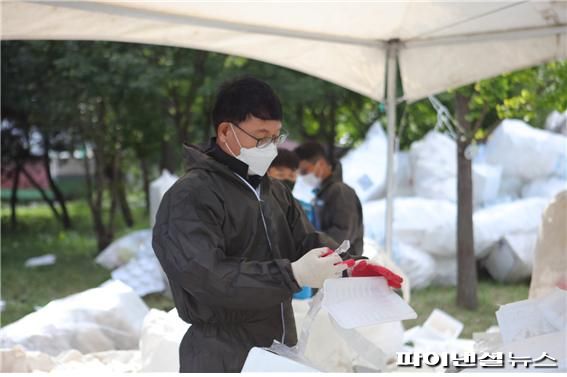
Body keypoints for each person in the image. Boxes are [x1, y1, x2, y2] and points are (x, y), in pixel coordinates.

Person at [152, 77, 354, 372]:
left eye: (275, 137)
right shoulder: (190, 196)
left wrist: (349, 264)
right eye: (260, 137)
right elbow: (209, 277)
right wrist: (292, 274)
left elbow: (305, 240)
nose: (270, 147)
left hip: (279, 346)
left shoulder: (274, 191)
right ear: (225, 131)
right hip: (222, 354)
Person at [294, 141, 364, 255]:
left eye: (304, 171)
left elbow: (343, 235)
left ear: (320, 164)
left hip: (343, 264)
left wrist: (314, 248)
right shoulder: (321, 193)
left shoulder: (340, 191)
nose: (302, 176)